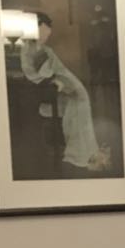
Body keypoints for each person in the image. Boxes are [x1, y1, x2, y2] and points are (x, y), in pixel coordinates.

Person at [18, 11, 108, 173]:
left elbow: (61, 70)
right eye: (44, 31)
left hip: (62, 82)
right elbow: (30, 73)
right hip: (46, 86)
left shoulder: (47, 50)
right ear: (36, 29)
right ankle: (79, 152)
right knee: (77, 101)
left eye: (48, 32)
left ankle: (85, 149)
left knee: (80, 99)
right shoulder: (26, 49)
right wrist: (51, 80)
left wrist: (61, 81)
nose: (47, 35)